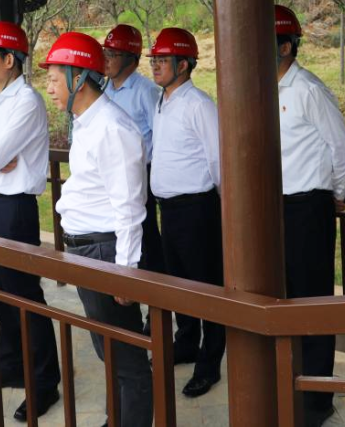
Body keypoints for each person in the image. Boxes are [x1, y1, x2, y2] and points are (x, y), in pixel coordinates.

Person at [43, 31, 153, 427]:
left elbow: (129, 206)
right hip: (88, 250)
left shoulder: (111, 127)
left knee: (126, 357)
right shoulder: (86, 122)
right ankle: (116, 418)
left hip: (105, 252)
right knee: (109, 350)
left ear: (78, 78)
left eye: (53, 79)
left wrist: (126, 271)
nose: (49, 88)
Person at [0, 20, 61, 422]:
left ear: (10, 60)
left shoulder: (26, 101)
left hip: (14, 209)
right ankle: (11, 366)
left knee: (24, 294)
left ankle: (44, 382)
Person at [274, 5, 345, 426]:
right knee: (283, 299)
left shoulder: (306, 89)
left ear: (285, 47)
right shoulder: (263, 89)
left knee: (313, 301)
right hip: (275, 209)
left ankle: (317, 400)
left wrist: (334, 196)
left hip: (308, 208)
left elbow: (343, 147)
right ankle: (290, 384)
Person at [147, 27, 224, 398]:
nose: (155, 66)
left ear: (183, 65)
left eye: (162, 60)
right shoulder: (162, 101)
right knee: (178, 282)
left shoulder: (198, 104)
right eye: (154, 60)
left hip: (196, 209)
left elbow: (218, 158)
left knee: (206, 286)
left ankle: (210, 364)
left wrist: (220, 202)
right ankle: (187, 342)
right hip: (170, 209)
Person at [102, 25, 164, 281]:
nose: (106, 59)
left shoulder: (146, 91)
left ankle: (154, 295)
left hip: (140, 174)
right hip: (110, 175)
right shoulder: (104, 89)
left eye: (112, 54)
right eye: (105, 52)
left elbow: (160, 137)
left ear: (132, 59)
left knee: (144, 236)